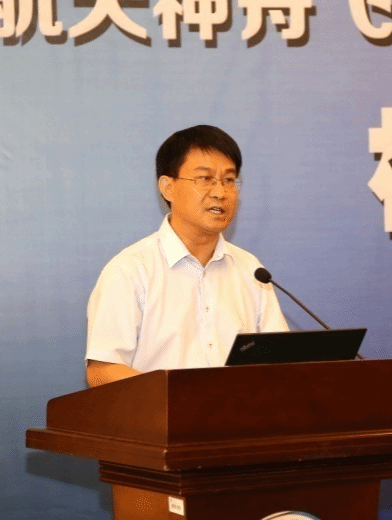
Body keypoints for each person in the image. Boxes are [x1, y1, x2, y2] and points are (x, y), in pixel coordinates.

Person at [85, 125, 288, 387]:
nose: (220, 192)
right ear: (168, 187)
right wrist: (184, 397)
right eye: (205, 178)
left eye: (229, 180)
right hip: (163, 413)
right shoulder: (130, 270)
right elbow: (102, 371)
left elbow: (281, 362)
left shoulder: (250, 270)